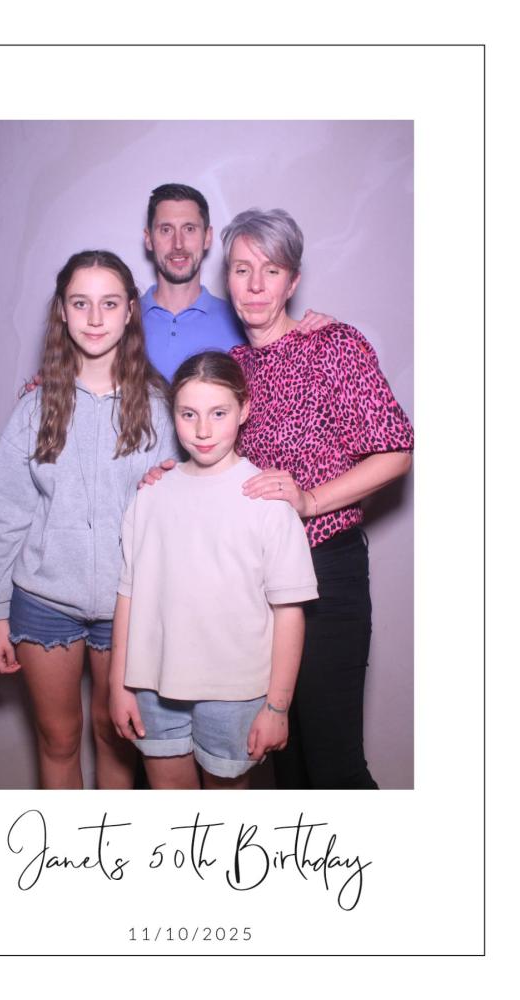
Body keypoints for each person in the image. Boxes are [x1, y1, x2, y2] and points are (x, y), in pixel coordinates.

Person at [143, 208, 414, 790]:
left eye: (272, 270)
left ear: (293, 281)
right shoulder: (234, 368)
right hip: (251, 585)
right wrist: (172, 472)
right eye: (242, 269)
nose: (256, 284)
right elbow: (207, 447)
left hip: (324, 573)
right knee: (280, 758)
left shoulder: (334, 345)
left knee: (333, 761)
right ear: (228, 278)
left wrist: (310, 500)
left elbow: (396, 451)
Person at [0, 250, 178, 790]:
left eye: (109, 304)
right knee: (59, 740)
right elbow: (6, 515)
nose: (94, 318)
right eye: (80, 303)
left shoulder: (161, 409)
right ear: (62, 312)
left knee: (116, 737)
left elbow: (182, 515)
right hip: (43, 602)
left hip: (127, 605)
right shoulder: (34, 407)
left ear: (130, 311)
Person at [109, 351, 319, 789]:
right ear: (173, 415)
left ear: (245, 409)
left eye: (218, 413)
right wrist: (118, 684)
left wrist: (277, 707)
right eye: (189, 414)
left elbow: (289, 612)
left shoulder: (268, 501)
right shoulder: (151, 495)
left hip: (235, 691)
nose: (203, 430)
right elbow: (128, 595)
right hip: (153, 684)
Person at [141, 183, 330, 380]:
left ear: (207, 236)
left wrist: (326, 333)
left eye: (189, 229)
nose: (178, 244)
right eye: (166, 230)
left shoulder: (246, 317)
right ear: (148, 238)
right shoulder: (125, 320)